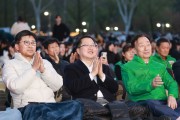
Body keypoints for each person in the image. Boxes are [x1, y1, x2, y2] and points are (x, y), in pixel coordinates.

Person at [2, 30, 83, 120]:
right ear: (17, 46)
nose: (30, 46)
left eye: (33, 43)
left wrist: (43, 70)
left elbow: (58, 85)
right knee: (40, 111)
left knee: (76, 104)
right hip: (28, 107)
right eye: (26, 43)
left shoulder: (45, 62)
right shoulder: (10, 64)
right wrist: (33, 69)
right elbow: (15, 87)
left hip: (50, 106)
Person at [64, 35, 130, 120]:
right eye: (86, 45)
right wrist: (92, 74)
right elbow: (72, 88)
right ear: (78, 51)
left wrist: (102, 75)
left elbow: (115, 88)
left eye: (93, 45)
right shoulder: (71, 68)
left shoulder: (104, 67)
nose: (91, 48)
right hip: (88, 107)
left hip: (110, 105)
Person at [121, 34, 180, 120]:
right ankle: (176, 117)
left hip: (162, 102)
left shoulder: (159, 66)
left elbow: (171, 83)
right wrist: (150, 85)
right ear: (134, 50)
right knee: (150, 103)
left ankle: (170, 115)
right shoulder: (127, 67)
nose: (146, 48)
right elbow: (131, 88)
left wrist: (171, 95)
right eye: (142, 46)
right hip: (142, 102)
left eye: (148, 44)